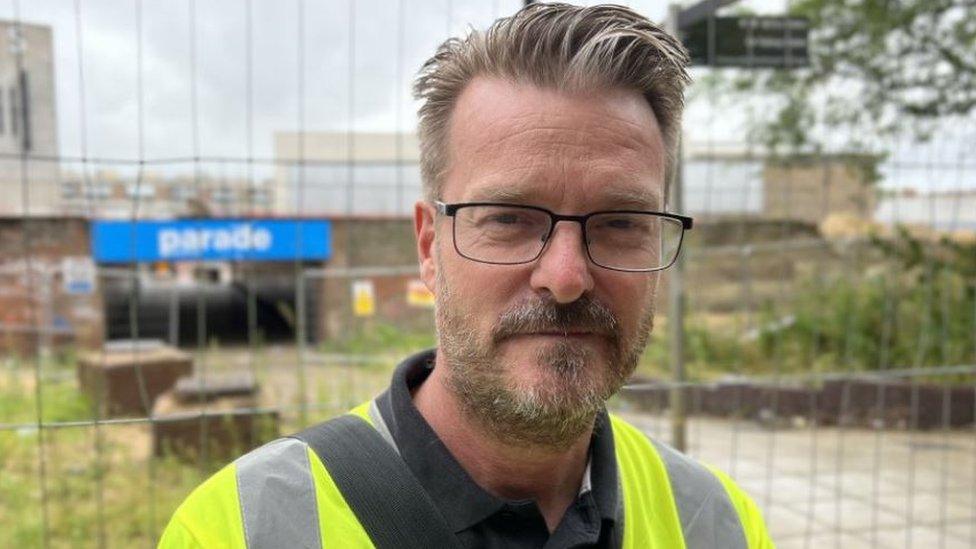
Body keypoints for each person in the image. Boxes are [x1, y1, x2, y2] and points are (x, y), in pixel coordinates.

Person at [159, 3, 773, 548]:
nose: (565, 278)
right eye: (507, 219)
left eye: (620, 222)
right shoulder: (237, 529)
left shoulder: (719, 524)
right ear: (430, 245)